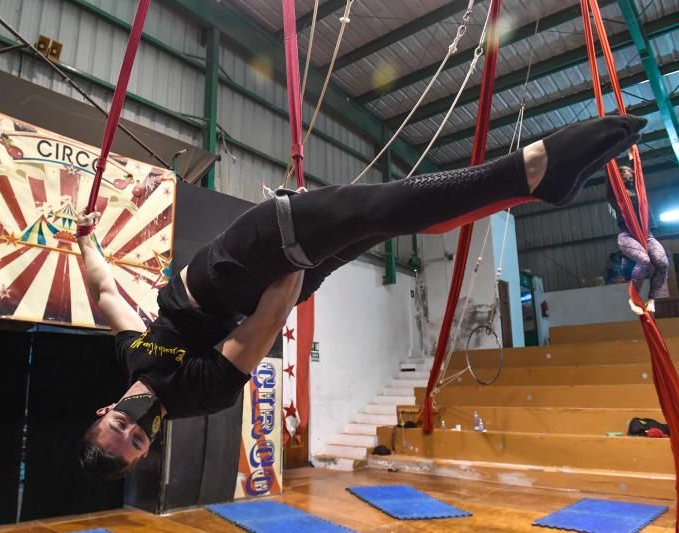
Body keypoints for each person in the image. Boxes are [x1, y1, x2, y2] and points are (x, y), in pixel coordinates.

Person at [76, 115, 646, 480]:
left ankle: (526, 178)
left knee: (379, 212)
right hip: (253, 281)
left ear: (106, 410)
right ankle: (525, 181)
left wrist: (87, 241)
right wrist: (296, 257)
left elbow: (105, 292)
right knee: (381, 219)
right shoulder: (200, 396)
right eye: (137, 440)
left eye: (119, 426)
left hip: (228, 268)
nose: (134, 426)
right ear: (149, 448)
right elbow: (265, 327)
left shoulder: (135, 358)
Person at [607, 164, 669, 315]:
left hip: (647, 235)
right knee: (644, 260)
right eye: (624, 173)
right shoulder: (617, 195)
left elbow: (638, 174)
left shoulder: (640, 192)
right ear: (618, 177)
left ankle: (652, 299)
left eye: (629, 172)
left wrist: (632, 154)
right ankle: (633, 299)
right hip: (627, 235)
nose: (628, 175)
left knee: (663, 264)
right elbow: (610, 179)